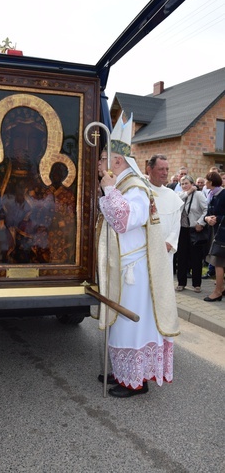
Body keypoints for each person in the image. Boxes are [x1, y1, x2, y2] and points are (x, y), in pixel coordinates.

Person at [96, 114, 180, 398]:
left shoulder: (135, 188)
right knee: (120, 325)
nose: (99, 163)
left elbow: (123, 220)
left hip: (135, 272)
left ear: (117, 162)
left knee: (132, 326)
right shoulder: (124, 185)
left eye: (103, 158)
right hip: (123, 266)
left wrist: (107, 187)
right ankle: (122, 372)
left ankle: (135, 381)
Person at [146, 154, 183, 269]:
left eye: (167, 169)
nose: (165, 173)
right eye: (161, 169)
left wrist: (169, 243)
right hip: (145, 250)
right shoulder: (141, 191)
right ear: (149, 169)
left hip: (165, 251)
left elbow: (176, 224)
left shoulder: (172, 195)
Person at [175, 175, 208, 293]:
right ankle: (181, 282)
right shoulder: (179, 195)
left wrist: (201, 223)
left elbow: (206, 209)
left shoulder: (198, 195)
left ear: (192, 183)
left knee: (196, 257)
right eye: (182, 184)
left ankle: (197, 284)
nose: (184, 186)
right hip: (182, 229)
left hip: (195, 229)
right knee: (182, 257)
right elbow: (177, 203)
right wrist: (188, 191)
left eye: (186, 183)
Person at [203, 171, 225, 302]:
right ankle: (221, 288)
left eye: (206, 180)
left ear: (211, 182)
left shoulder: (223, 194)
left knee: (218, 262)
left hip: (222, 235)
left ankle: (217, 292)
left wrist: (216, 218)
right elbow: (208, 212)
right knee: (219, 263)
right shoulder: (211, 195)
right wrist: (207, 218)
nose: (205, 183)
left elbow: (219, 215)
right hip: (215, 232)